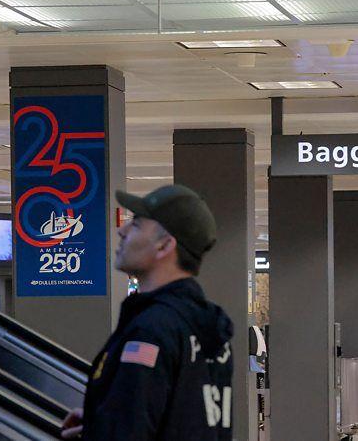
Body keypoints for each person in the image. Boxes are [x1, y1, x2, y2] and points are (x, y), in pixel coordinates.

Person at [62, 184, 234, 440]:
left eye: (136, 224)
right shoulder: (208, 329)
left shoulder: (152, 330)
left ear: (164, 246)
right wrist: (102, 421)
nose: (122, 230)